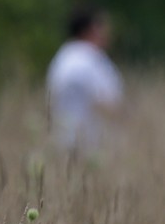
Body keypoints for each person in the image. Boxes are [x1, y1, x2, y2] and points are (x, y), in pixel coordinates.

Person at [47, 8, 123, 152]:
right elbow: (107, 103)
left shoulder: (63, 56)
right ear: (92, 29)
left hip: (63, 140)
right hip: (92, 144)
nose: (107, 31)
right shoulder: (90, 59)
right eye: (102, 26)